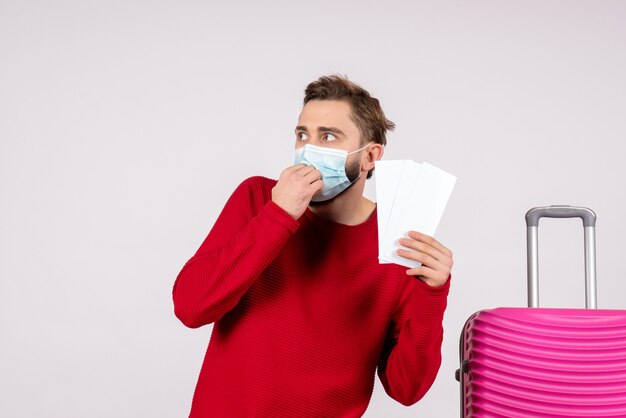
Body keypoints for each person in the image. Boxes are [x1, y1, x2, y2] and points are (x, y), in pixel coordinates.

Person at [172, 75, 453, 417]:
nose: (308, 150)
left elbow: (407, 389)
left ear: (370, 157)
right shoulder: (259, 198)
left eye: (328, 136)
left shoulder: (398, 243)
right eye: (302, 134)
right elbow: (190, 307)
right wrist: (278, 216)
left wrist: (432, 296)